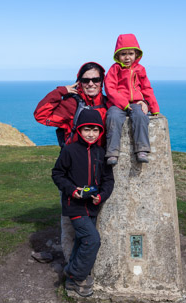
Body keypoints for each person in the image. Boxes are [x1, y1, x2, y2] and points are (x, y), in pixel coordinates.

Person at [34, 62, 108, 262]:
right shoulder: (71, 104)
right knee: (70, 224)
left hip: (99, 171)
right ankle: (71, 266)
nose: (91, 83)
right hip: (73, 172)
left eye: (96, 79)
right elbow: (40, 115)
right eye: (86, 80)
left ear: (102, 81)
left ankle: (87, 267)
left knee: (96, 221)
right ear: (79, 82)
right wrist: (61, 91)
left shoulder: (109, 105)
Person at [52, 109, 114, 297]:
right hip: (75, 206)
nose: (91, 134)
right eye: (87, 129)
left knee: (82, 241)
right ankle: (75, 274)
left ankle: (72, 281)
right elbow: (57, 174)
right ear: (79, 130)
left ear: (100, 132)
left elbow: (108, 180)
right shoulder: (69, 151)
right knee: (92, 240)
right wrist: (72, 190)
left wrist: (101, 195)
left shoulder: (101, 153)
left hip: (92, 207)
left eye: (95, 130)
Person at [105, 33, 160, 165]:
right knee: (113, 117)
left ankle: (142, 149)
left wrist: (154, 107)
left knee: (141, 116)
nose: (127, 57)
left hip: (136, 102)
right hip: (117, 104)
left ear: (136, 54)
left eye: (130, 53)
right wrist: (123, 103)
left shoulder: (140, 69)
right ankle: (112, 152)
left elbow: (147, 88)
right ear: (117, 56)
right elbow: (109, 88)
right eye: (123, 54)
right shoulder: (114, 69)